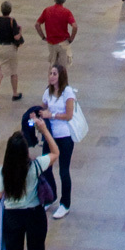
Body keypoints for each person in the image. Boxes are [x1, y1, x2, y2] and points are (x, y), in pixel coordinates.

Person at [0, 117, 59, 250]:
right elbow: (56, 153)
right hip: (34, 215)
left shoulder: (3, 172)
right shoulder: (36, 166)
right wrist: (44, 131)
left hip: (12, 216)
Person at [38, 64, 81, 216]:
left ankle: (65, 203)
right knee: (45, 167)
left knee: (63, 170)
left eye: (54, 73)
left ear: (61, 76)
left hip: (64, 136)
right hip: (50, 136)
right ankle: (50, 196)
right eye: (50, 73)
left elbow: (69, 115)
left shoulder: (67, 92)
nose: (51, 76)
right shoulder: (47, 92)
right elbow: (42, 110)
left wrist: (53, 115)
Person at [0, 1, 25, 108]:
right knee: (8, 71)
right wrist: (20, 32)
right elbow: (16, 37)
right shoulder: (11, 21)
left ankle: (9, 94)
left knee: (6, 70)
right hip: (9, 49)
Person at [37, 0, 77, 71]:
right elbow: (75, 26)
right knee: (63, 68)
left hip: (51, 43)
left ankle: (51, 82)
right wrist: (71, 38)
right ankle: (62, 82)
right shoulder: (66, 12)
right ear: (64, 1)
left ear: (54, 0)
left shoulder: (47, 10)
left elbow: (37, 25)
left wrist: (43, 37)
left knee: (52, 66)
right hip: (63, 43)